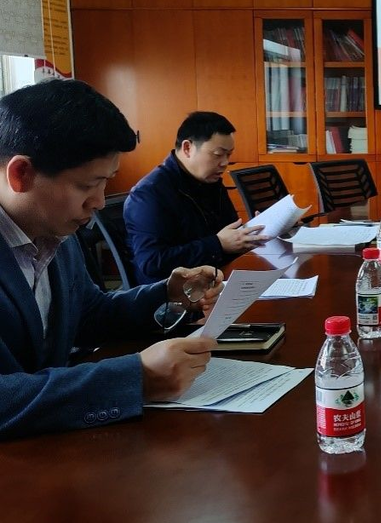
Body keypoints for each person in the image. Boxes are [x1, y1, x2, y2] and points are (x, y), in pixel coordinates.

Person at [0, 79, 221, 439]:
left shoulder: (51, 226)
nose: (100, 202)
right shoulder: (52, 220)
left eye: (106, 182)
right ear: (21, 174)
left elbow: (87, 315)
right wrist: (134, 379)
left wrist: (169, 295)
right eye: (87, 186)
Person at [125, 111, 267, 285]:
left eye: (228, 155)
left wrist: (249, 233)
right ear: (187, 148)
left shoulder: (210, 182)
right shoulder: (149, 193)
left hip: (216, 278)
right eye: (218, 154)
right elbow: (152, 262)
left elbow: (227, 233)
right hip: (174, 293)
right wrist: (218, 245)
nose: (224, 163)